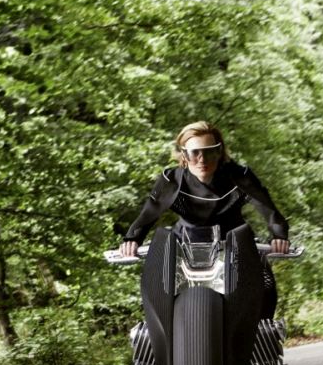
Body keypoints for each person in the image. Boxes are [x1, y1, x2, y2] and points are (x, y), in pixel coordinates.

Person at [119, 121, 290, 318]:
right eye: (194, 153)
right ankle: (152, 334)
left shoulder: (240, 176)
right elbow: (148, 214)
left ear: (219, 151)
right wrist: (132, 239)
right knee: (154, 284)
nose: (202, 159)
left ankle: (263, 331)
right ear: (184, 155)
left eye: (209, 152)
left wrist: (279, 236)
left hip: (235, 243)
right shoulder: (171, 179)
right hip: (183, 245)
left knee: (265, 284)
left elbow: (268, 209)